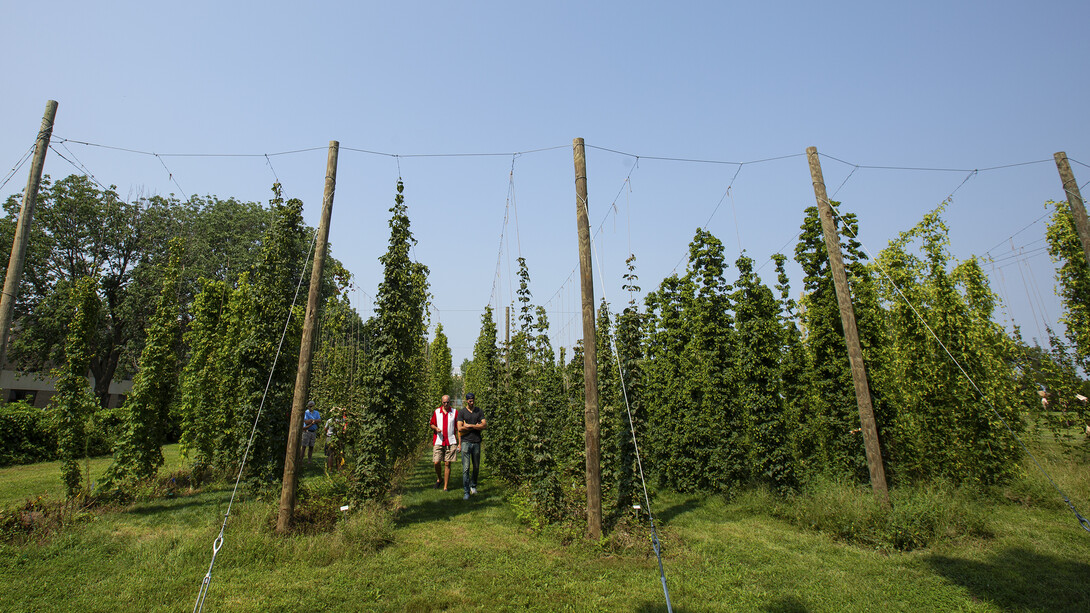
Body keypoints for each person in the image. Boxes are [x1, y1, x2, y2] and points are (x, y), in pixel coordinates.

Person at [457, 392, 486, 500]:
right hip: (465, 442)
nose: (471, 401)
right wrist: (476, 426)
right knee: (466, 468)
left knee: (476, 466)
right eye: (469, 400)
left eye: (472, 399)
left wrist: (469, 425)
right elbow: (460, 428)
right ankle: (466, 491)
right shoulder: (462, 412)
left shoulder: (479, 411)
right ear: (466, 401)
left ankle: (473, 486)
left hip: (476, 442)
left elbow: (484, 425)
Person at [429, 395, 459, 491]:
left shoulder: (454, 412)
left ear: (450, 402)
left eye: (448, 402)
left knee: (447, 463)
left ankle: (445, 487)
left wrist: (459, 442)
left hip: (451, 441)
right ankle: (440, 478)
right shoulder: (437, 412)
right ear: (441, 402)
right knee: (436, 461)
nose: (446, 404)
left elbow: (458, 428)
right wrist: (435, 428)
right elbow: (431, 424)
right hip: (439, 440)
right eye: (444, 403)